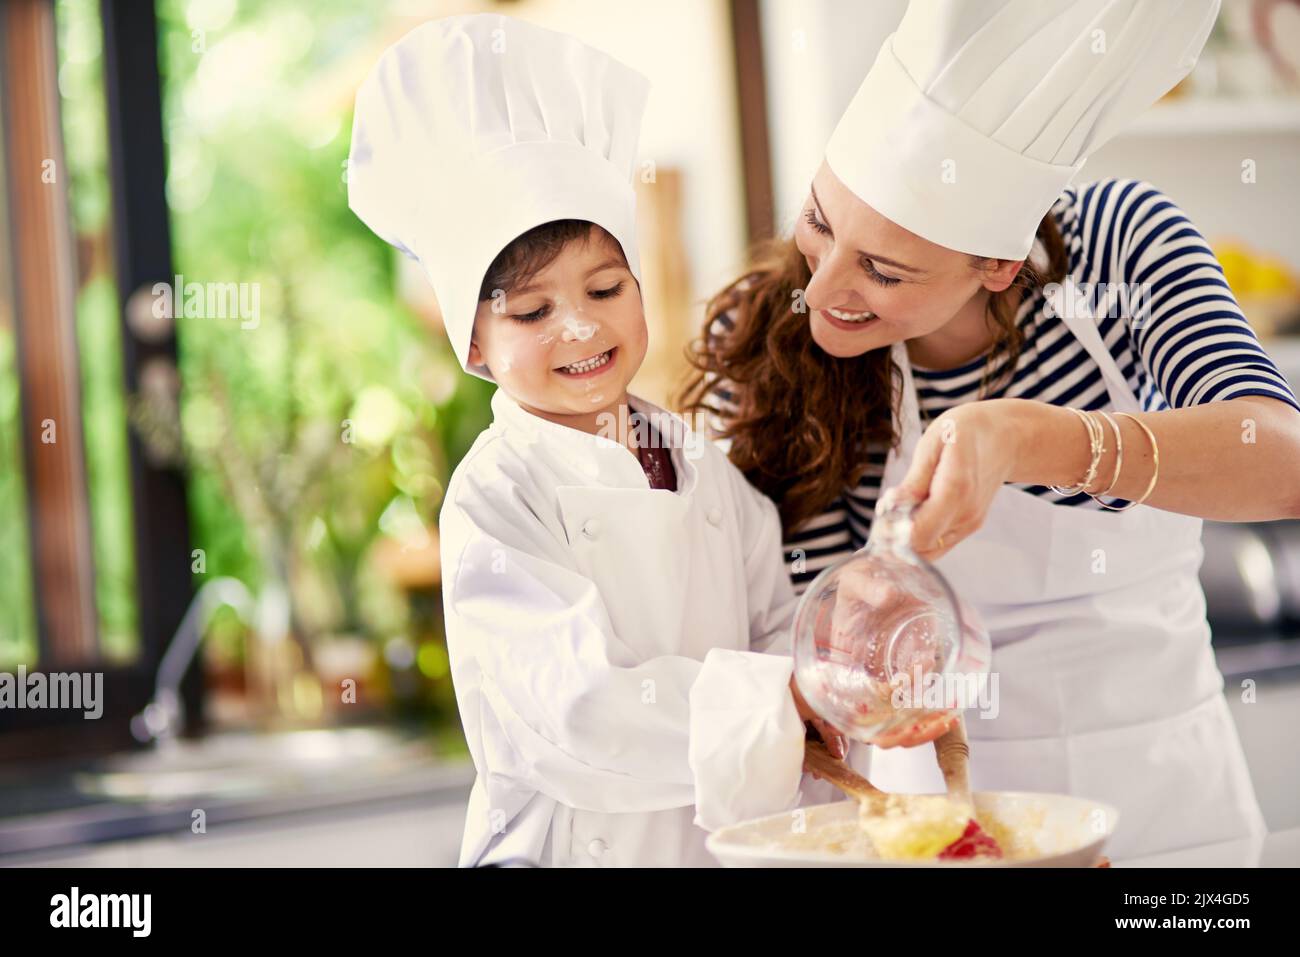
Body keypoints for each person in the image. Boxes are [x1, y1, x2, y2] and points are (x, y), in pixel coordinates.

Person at [683, 0, 1298, 859]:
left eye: (884, 270)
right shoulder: (767, 342)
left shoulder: (1124, 247)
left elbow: (1278, 456)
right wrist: (854, 655)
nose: (820, 294)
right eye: (821, 223)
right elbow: (782, 625)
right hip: (926, 820)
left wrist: (1027, 438)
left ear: (997, 264)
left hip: (1166, 812)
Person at [347, 13, 840, 868]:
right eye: (532, 311)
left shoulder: (704, 470)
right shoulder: (496, 497)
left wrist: (825, 677)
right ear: (472, 345)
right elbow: (577, 709)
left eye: (606, 288)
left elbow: (773, 627)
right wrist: (775, 698)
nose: (578, 325)